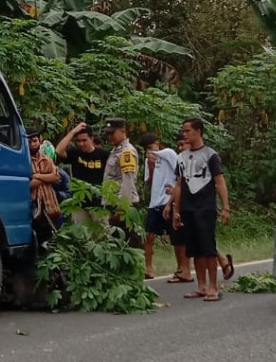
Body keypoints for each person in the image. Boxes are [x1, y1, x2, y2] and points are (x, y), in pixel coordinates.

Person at [168, 118, 234, 302]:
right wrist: (176, 210)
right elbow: (179, 185)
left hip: (205, 207)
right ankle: (201, 287)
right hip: (188, 207)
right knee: (194, 249)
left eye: (187, 130)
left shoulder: (210, 155)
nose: (184, 134)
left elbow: (219, 181)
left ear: (198, 131)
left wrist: (226, 207)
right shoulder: (181, 158)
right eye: (184, 131)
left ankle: (213, 287)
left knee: (208, 248)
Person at [140, 132, 185, 282]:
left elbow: (180, 174)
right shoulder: (149, 161)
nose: (149, 151)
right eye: (146, 149)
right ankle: (148, 268)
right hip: (155, 202)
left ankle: (181, 268)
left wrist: (174, 191)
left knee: (176, 236)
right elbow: (150, 182)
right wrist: (151, 166)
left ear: (157, 143)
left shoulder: (169, 153)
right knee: (149, 236)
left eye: (151, 147)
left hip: (169, 200)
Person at [101, 118, 141, 247]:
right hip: (113, 203)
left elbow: (128, 181)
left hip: (123, 205)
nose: (109, 136)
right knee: (116, 244)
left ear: (123, 131)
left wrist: (122, 208)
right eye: (107, 133)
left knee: (128, 244)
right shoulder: (115, 150)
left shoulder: (127, 152)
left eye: (112, 133)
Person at [27, 129, 62, 242]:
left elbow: (56, 177)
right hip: (33, 204)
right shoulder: (24, 161)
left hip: (50, 203)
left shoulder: (47, 159)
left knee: (53, 235)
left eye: (34, 141)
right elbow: (27, 185)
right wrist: (47, 176)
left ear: (40, 140)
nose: (32, 144)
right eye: (29, 142)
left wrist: (36, 176)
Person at [56, 121, 110, 190]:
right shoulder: (74, 153)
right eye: (78, 141)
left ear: (91, 138)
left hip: (98, 195)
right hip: (78, 196)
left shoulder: (104, 155)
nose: (81, 144)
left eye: (84, 140)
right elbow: (58, 150)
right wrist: (73, 132)